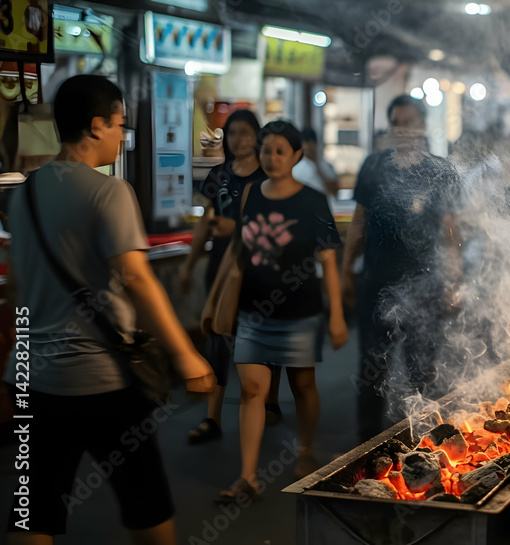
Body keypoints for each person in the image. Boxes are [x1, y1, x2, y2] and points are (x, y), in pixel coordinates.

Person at [5, 75, 214, 545]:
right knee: (147, 504)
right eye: (121, 124)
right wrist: (186, 356)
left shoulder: (23, 194)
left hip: (32, 384)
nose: (124, 136)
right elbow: (138, 279)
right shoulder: (110, 192)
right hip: (102, 380)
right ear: (96, 125)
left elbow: (19, 286)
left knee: (33, 511)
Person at [217, 120, 348, 503]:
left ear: (296, 155)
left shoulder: (312, 200)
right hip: (253, 310)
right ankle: (248, 476)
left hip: (299, 310)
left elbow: (328, 261)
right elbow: (240, 253)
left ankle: (305, 450)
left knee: (302, 385)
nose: (270, 158)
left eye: (279, 151)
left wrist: (336, 314)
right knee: (251, 391)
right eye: (265, 150)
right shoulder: (250, 195)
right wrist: (222, 300)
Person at [341, 95, 460, 443]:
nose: (404, 129)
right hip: (376, 285)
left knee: (421, 373)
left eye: (410, 122)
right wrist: (347, 270)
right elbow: (358, 223)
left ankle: (422, 444)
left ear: (422, 126)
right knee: (371, 371)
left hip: (426, 289)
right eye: (398, 123)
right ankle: (365, 447)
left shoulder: (440, 170)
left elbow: (452, 231)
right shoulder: (373, 166)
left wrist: (455, 280)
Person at [180, 109, 268, 444]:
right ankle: (212, 418)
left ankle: (264, 403)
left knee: (258, 338)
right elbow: (206, 220)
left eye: (246, 133)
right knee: (218, 338)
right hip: (221, 268)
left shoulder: (268, 176)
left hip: (258, 269)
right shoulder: (218, 175)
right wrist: (190, 264)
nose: (238, 140)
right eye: (232, 133)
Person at [291, 127, 339, 196]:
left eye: (310, 143)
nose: (307, 147)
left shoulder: (327, 166)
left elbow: (334, 191)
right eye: (305, 143)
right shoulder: (296, 169)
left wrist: (316, 163)